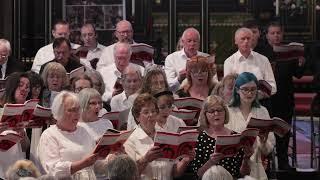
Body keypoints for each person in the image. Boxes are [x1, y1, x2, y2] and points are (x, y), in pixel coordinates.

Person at [124, 93, 194, 180]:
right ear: (137, 117)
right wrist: (145, 159)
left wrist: (185, 160)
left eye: (153, 111)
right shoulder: (130, 140)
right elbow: (129, 176)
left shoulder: (167, 135)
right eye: (146, 112)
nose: (151, 115)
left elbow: (175, 174)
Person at [265, 22, 305, 170]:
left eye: (278, 33)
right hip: (268, 100)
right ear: (267, 35)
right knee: (267, 133)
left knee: (284, 132)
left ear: (282, 34)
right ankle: (267, 163)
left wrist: (301, 63)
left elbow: (298, 75)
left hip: (285, 98)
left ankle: (283, 162)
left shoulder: (290, 51)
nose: (276, 36)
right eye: (273, 33)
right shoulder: (262, 52)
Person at [37, 91, 99, 179]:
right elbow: (53, 170)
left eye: (78, 109)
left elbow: (95, 164)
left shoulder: (83, 131)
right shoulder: (49, 135)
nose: (77, 113)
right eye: (72, 110)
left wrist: (111, 155)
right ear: (59, 112)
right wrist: (82, 164)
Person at [225, 72, 275, 180]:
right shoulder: (228, 111)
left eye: (253, 89)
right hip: (232, 164)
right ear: (237, 90)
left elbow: (269, 149)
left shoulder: (262, 111)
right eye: (245, 89)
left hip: (257, 166)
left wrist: (263, 141)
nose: (250, 93)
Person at [189, 95, 251, 179]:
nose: (216, 114)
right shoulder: (199, 138)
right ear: (205, 115)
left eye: (220, 110)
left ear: (225, 112)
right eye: (211, 111)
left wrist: (246, 158)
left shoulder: (236, 137)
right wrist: (211, 162)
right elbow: (198, 174)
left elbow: (244, 174)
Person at [223, 27, 277, 99]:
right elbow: (228, 88)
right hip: (237, 105)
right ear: (236, 41)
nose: (246, 41)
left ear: (252, 40)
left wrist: (257, 95)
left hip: (261, 103)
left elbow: (272, 87)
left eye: (248, 39)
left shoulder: (263, 60)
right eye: (243, 39)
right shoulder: (229, 62)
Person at [0, 72, 31, 179]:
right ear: (12, 86)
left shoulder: (22, 112)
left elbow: (25, 147)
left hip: (18, 170)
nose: (24, 89)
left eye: (27, 87)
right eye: (20, 85)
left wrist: (22, 132)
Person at [165, 28, 213, 92]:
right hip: (179, 98)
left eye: (195, 41)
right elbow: (169, 87)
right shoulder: (171, 58)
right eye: (189, 41)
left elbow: (214, 85)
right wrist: (179, 79)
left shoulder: (206, 58)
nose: (192, 44)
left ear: (199, 43)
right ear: (182, 42)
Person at [127, 65, 169, 130]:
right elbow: (131, 131)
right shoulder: (137, 107)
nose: (160, 86)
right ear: (147, 85)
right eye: (155, 83)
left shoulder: (170, 105)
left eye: (162, 83)